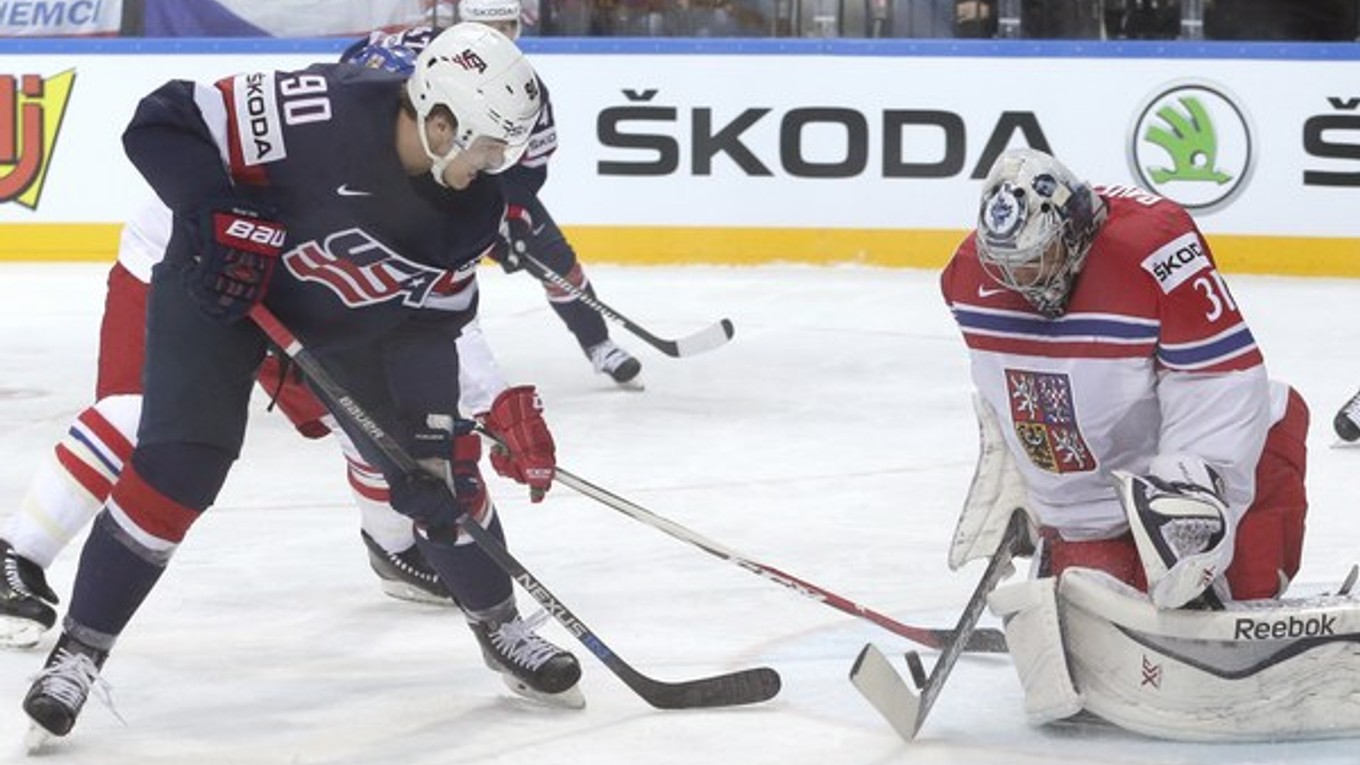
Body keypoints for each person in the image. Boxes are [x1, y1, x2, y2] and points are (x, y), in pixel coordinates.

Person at [21, 23, 582, 743]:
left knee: (438, 471)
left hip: (346, 328)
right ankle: (80, 649)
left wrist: (429, 435)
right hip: (219, 295)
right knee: (179, 466)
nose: (496, 163)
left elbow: (427, 329)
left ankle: (500, 627)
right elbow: (162, 118)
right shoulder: (314, 109)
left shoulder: (469, 210)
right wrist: (213, 209)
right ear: (440, 121)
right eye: (488, 144)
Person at [940, 148, 1320, 739]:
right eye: (1010, 268)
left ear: (1075, 229)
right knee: (1111, 625)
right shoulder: (968, 277)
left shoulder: (1156, 248)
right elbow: (1017, 394)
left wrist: (1190, 502)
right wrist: (1028, 485)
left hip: (1224, 455)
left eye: (1039, 261)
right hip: (1110, 488)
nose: (1025, 282)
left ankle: (1237, 559)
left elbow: (1219, 384)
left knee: (1226, 610)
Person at [438, 0, 646, 388]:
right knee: (430, 278)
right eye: (490, 29)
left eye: (507, 28)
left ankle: (599, 344)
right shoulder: (437, 74)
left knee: (557, 260)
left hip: (498, 190)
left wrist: (513, 215)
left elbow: (532, 164)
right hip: (436, 195)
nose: (501, 38)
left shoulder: (528, 87)